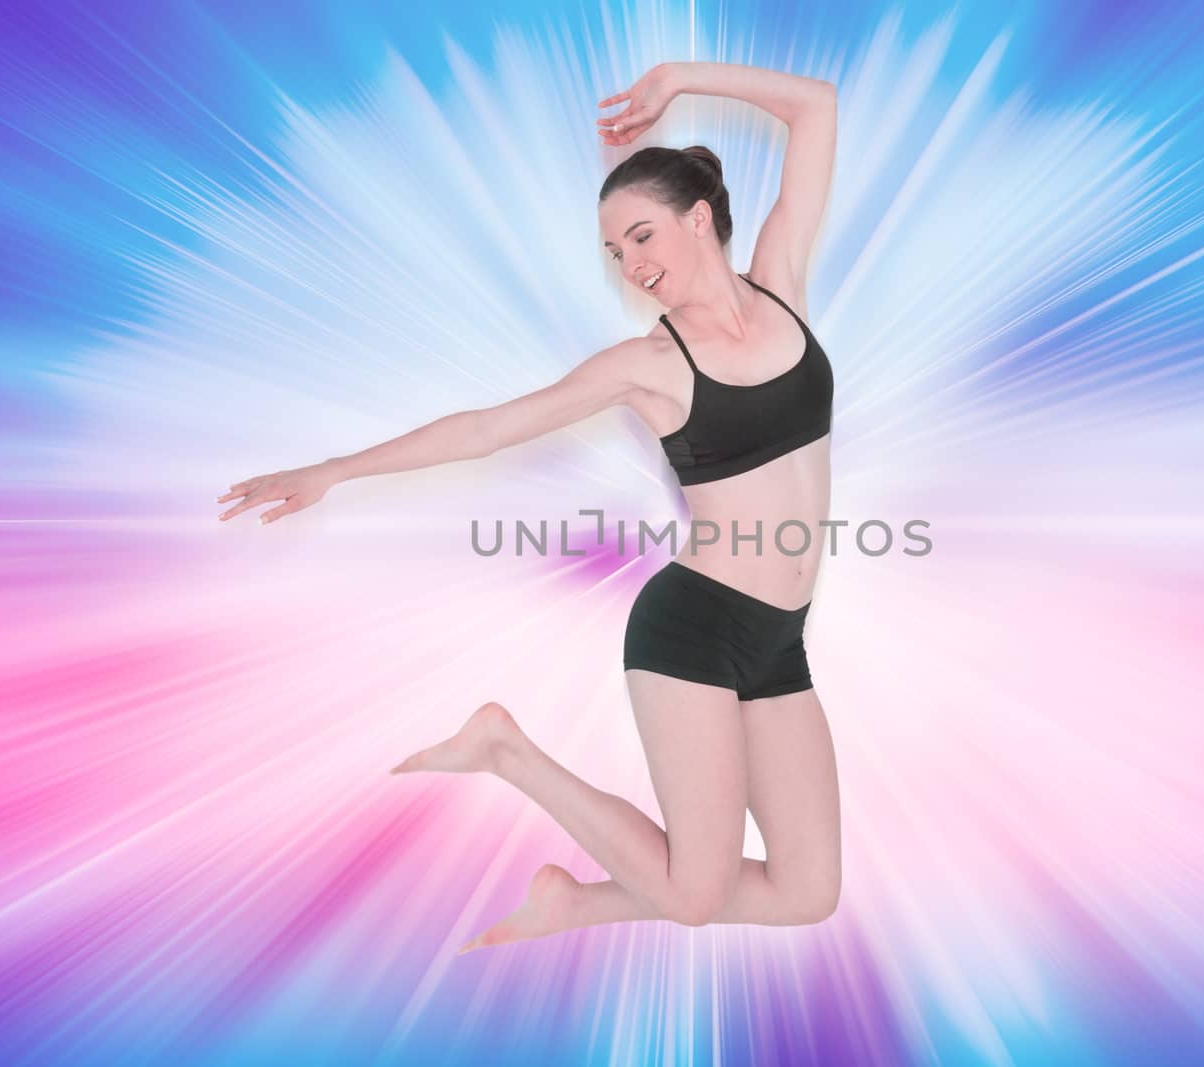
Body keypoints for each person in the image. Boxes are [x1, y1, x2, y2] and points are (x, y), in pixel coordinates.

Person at [216, 61, 840, 952]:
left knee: (808, 888)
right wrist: (334, 468)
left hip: (783, 634)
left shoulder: (782, 283)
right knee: (697, 892)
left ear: (699, 218)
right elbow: (487, 429)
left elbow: (815, 108)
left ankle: (577, 904)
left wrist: (677, 80)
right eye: (616, 254)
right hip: (696, 630)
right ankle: (505, 748)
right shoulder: (650, 364)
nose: (633, 266)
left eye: (642, 236)